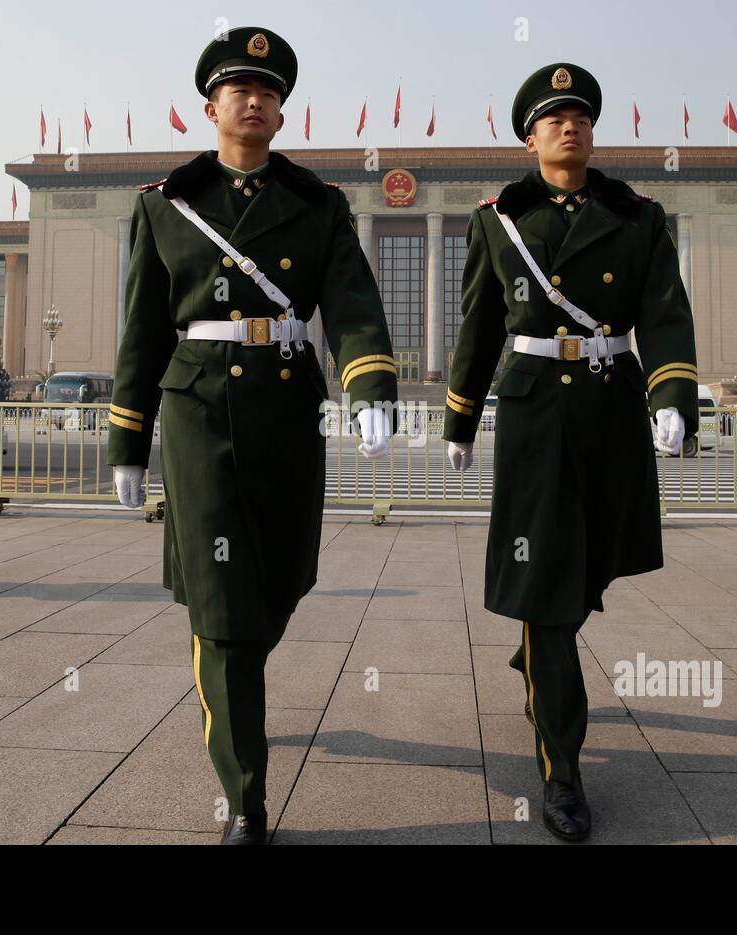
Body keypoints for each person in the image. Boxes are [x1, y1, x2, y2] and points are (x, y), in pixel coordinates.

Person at [107, 27, 398, 844]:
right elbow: (141, 330)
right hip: (199, 407)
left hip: (286, 408)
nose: (256, 101)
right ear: (211, 106)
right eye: (240, 89)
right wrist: (128, 438)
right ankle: (245, 797)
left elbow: (350, 299)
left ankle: (236, 664)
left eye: (270, 92)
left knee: (279, 581)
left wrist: (368, 383)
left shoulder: (316, 203)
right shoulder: (165, 205)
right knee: (225, 606)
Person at [443, 63, 698, 841]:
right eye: (554, 118)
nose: (570, 126)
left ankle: (537, 655)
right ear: (530, 136)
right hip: (532, 416)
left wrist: (672, 397)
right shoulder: (498, 218)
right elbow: (481, 324)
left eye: (581, 116)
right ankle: (562, 767)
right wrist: (459, 419)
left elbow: (663, 311)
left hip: (610, 412)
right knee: (548, 591)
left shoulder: (637, 215)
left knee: (585, 573)